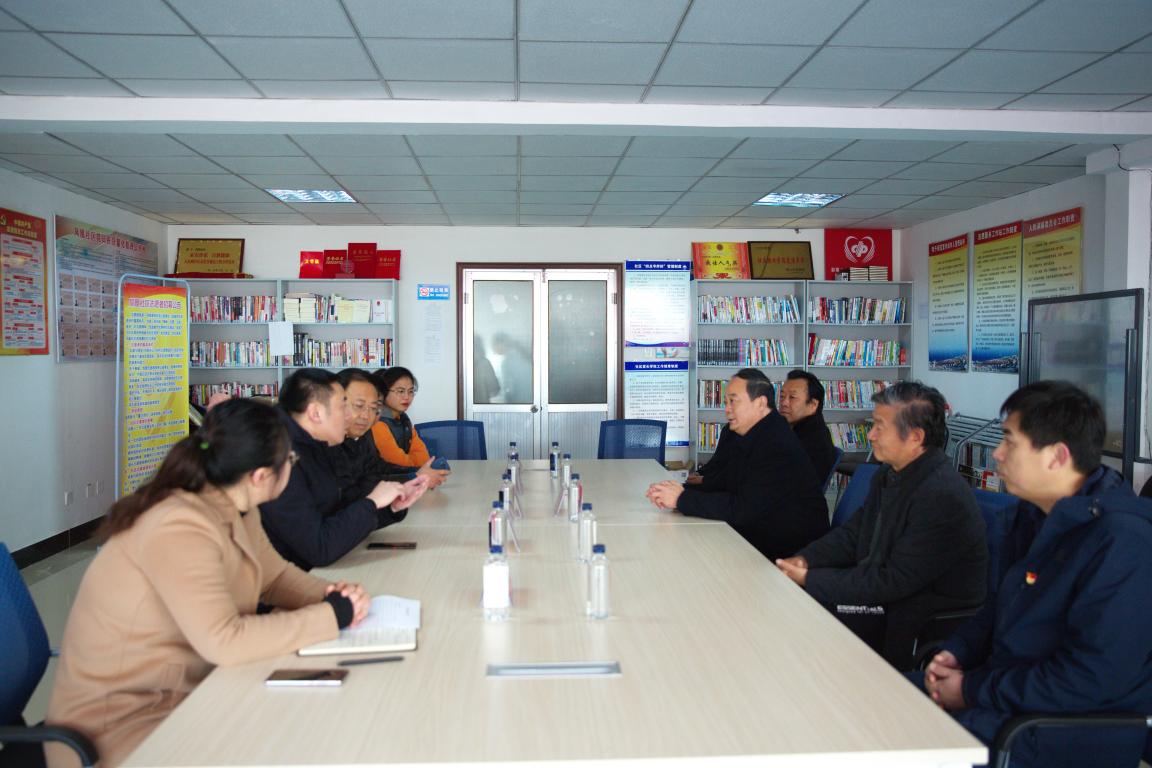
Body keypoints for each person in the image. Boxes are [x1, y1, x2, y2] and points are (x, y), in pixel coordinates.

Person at [44, 399, 371, 768]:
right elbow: (225, 641)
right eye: (290, 460)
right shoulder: (177, 524)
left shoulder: (235, 504)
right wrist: (330, 616)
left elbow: (274, 577)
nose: (292, 467)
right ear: (260, 476)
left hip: (191, 690)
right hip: (125, 725)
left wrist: (331, 594)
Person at [916, 381, 1152, 768]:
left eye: (1010, 441)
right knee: (876, 698)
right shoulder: (1031, 517)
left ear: (1057, 457)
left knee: (885, 738)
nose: (997, 453)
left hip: (1058, 734)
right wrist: (955, 653)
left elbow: (1087, 679)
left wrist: (971, 689)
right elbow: (997, 610)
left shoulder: (1123, 542)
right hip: (1006, 702)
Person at [776, 380, 986, 669]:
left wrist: (811, 579)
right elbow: (853, 534)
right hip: (885, 595)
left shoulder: (941, 495)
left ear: (915, 437)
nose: (871, 435)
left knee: (806, 614)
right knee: (795, 600)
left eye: (879, 426)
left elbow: (893, 582)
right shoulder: (890, 474)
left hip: (912, 616)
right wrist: (805, 559)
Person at [646, 368, 829, 560]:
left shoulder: (776, 443)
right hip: (761, 535)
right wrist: (678, 492)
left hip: (792, 554)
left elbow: (742, 509)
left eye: (733, 401)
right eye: (726, 402)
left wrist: (682, 499)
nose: (727, 409)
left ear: (760, 403)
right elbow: (726, 483)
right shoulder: (753, 434)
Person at [260, 368, 428, 571]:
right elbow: (320, 548)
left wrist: (391, 507)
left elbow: (342, 513)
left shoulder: (320, 446)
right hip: (288, 578)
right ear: (315, 413)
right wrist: (372, 502)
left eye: (374, 408)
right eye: (343, 407)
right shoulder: (278, 459)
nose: (352, 417)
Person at [332, 368, 427, 510]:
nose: (367, 416)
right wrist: (415, 476)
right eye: (359, 406)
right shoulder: (319, 449)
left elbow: (376, 471)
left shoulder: (362, 437)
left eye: (374, 408)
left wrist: (393, 507)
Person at [370, 367, 450, 488]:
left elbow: (423, 458)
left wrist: (420, 467)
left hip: (408, 483)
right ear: (383, 393)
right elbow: (397, 463)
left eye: (411, 391)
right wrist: (419, 469)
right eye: (400, 391)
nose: (407, 397)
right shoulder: (378, 424)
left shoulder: (403, 419)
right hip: (388, 487)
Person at [776, 369, 838, 483]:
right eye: (782, 396)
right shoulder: (795, 430)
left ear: (813, 405)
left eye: (792, 397)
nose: (784, 403)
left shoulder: (814, 441)